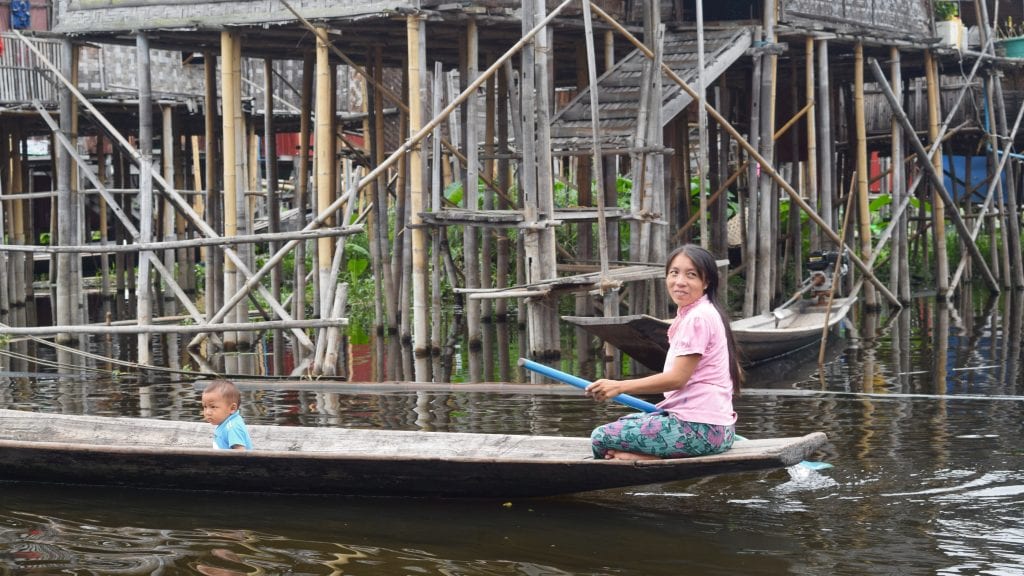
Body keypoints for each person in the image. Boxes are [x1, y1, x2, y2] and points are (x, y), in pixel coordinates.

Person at [586, 244, 743, 461]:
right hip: (719, 430)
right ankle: (640, 456)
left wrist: (619, 386)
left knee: (600, 437)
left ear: (706, 282)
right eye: (674, 273)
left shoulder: (697, 318)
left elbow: (677, 379)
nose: (680, 282)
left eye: (691, 275)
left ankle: (647, 458)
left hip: (698, 431)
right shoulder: (703, 312)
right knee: (626, 422)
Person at [202, 379, 253, 450]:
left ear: (232, 408)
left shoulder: (233, 427)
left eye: (213, 407)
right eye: (205, 406)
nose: (207, 412)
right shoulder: (225, 423)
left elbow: (240, 454)